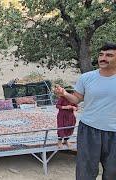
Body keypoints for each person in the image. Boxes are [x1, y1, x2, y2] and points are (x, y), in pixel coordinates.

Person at [54, 42, 116, 180]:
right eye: (101, 55)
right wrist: (64, 93)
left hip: (114, 132)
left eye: (109, 55)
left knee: (113, 172)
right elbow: (76, 99)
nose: (103, 58)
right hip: (89, 130)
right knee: (85, 171)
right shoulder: (87, 78)